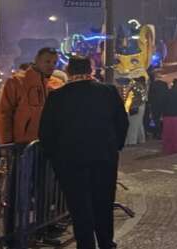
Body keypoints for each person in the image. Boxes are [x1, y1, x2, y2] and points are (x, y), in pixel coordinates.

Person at [38, 56, 128, 249]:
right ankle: (106, 242)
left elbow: (46, 131)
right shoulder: (108, 92)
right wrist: (114, 147)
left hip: (70, 161)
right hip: (104, 157)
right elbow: (122, 122)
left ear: (69, 71)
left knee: (79, 207)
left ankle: (86, 244)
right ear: (91, 70)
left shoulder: (57, 97)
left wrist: (54, 156)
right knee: (103, 203)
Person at [0, 47, 58, 145]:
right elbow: (4, 114)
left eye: (55, 63)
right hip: (22, 143)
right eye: (47, 61)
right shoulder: (16, 82)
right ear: (37, 60)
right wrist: (6, 144)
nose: (51, 65)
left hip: (50, 142)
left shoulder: (57, 84)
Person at [123, 76, 148, 146]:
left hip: (134, 107)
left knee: (133, 125)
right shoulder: (143, 86)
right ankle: (141, 139)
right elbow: (144, 99)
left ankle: (132, 141)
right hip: (141, 106)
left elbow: (129, 98)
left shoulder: (135, 86)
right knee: (138, 123)